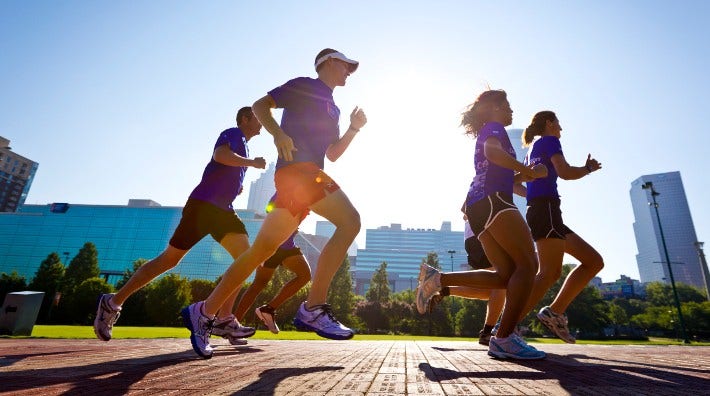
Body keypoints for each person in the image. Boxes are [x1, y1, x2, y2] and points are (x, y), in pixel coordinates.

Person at [182, 48, 366, 358]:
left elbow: (333, 153)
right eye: (346, 64)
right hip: (301, 173)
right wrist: (279, 134)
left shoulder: (333, 108)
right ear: (328, 63)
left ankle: (204, 310)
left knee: (260, 251)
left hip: (305, 177)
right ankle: (314, 307)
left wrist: (354, 128)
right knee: (350, 222)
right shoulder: (305, 85)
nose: (349, 70)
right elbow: (260, 105)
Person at [94, 106, 266, 345]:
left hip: (223, 210)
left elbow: (225, 168)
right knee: (170, 259)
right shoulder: (233, 133)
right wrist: (252, 163)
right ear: (245, 119)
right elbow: (220, 155)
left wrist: (236, 185)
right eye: (257, 117)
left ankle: (225, 318)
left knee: (247, 258)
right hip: (204, 206)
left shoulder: (245, 145)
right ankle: (112, 302)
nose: (262, 122)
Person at [417, 89, 548, 360]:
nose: (512, 110)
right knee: (529, 265)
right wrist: (527, 170)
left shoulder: (492, 129)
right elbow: (492, 153)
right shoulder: (494, 128)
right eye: (507, 105)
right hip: (493, 201)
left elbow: (510, 181)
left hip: (481, 204)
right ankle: (504, 338)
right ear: (494, 108)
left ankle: (438, 280)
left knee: (505, 276)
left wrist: (531, 181)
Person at [518, 110, 603, 343]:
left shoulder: (532, 150)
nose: (561, 129)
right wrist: (587, 169)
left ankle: (554, 312)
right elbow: (564, 173)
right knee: (548, 273)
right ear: (549, 123)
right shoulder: (549, 141)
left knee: (593, 261)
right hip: (545, 211)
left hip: (545, 211)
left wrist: (532, 198)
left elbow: (518, 184)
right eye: (559, 124)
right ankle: (507, 325)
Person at [232, 195, 312, 334]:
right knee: (258, 284)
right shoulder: (286, 188)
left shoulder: (310, 194)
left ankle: (268, 309)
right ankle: (233, 324)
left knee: (305, 276)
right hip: (271, 244)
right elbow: (269, 209)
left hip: (288, 247)